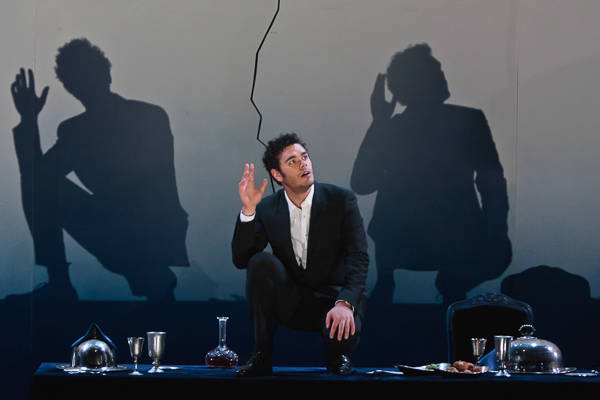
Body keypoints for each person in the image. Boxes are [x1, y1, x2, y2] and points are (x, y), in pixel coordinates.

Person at [8, 38, 189, 302]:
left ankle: (62, 282)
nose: (84, 84)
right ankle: (64, 283)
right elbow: (38, 178)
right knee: (39, 183)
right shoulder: (81, 130)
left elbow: (38, 179)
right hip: (127, 231)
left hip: (141, 231)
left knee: (38, 184)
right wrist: (28, 120)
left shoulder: (143, 118)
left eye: (86, 75)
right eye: (77, 78)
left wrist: (29, 120)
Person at [351, 43, 511, 306]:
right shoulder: (468, 121)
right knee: (499, 253)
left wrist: (379, 123)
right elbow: (492, 183)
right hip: (453, 239)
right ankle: (451, 285)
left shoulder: (393, 129)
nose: (443, 76)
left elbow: (362, 183)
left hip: (402, 241)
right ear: (422, 82)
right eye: (435, 72)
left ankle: (389, 281)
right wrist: (496, 232)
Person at [232, 133, 369, 376]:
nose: (303, 164)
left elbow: (358, 257)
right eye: (292, 161)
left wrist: (345, 302)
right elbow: (242, 260)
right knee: (260, 262)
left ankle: (337, 356)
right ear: (277, 175)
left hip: (333, 301)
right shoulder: (268, 208)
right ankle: (261, 355)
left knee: (341, 339)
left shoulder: (341, 200)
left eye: (304, 157)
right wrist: (248, 210)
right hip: (292, 301)